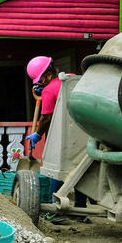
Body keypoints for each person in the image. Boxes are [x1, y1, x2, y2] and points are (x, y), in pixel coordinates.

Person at [25, 56, 88, 209]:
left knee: (56, 168)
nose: (40, 83)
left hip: (61, 136)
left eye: (40, 80)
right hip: (83, 131)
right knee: (81, 168)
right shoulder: (72, 79)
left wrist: (38, 134)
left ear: (48, 73)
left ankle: (54, 208)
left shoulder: (48, 90)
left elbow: (46, 118)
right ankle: (81, 207)